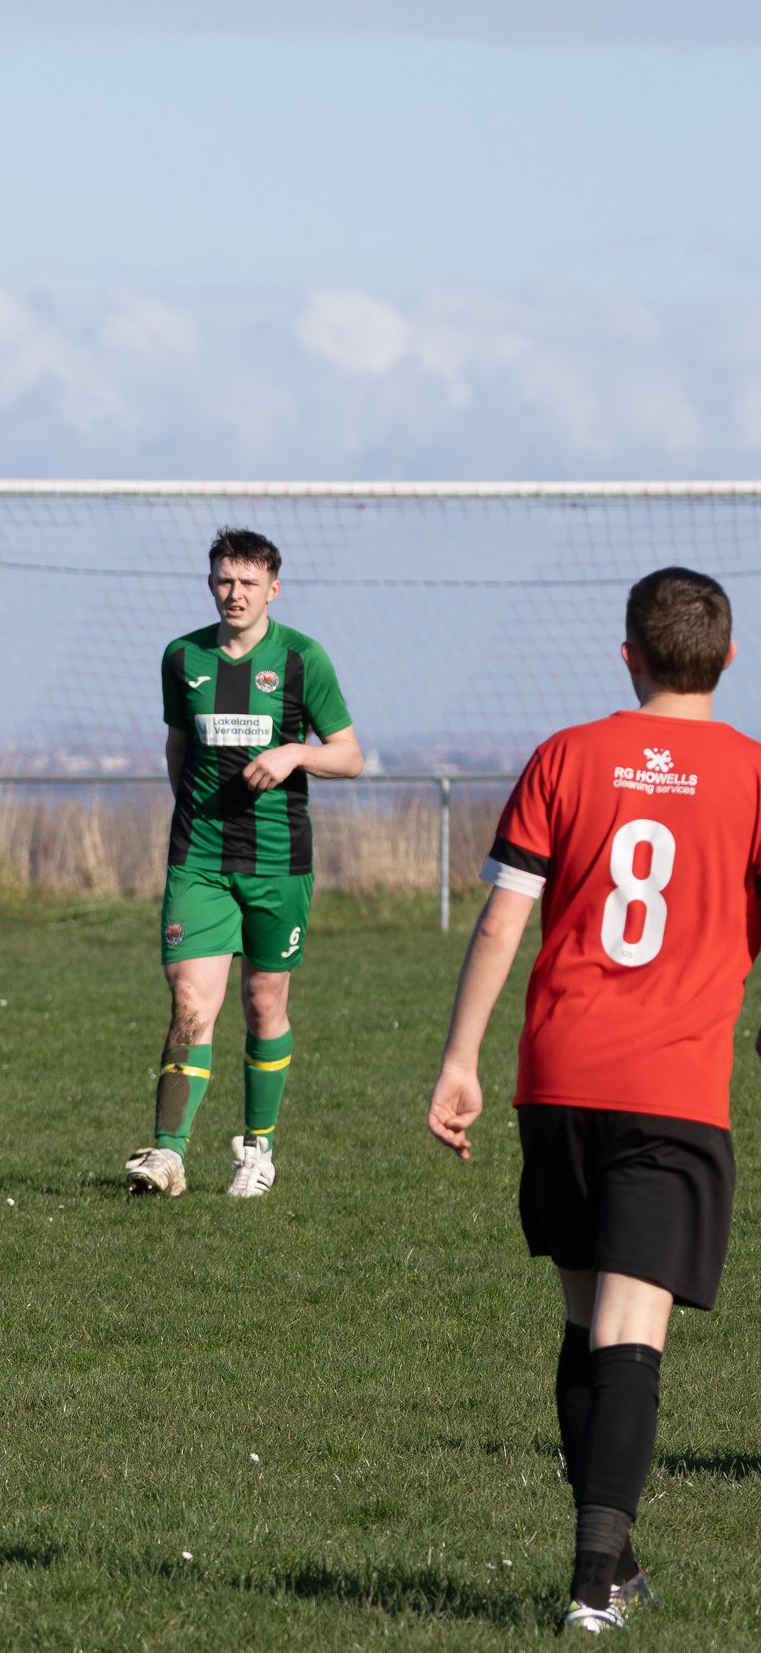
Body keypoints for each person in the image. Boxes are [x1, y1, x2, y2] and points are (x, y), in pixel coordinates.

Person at [427, 568, 757, 1634]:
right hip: (671, 1092)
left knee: (583, 1326)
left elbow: (498, 921)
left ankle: (612, 1564)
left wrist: (458, 1059)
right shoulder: (752, 774)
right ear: (728, 659)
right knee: (629, 1337)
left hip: (557, 1082)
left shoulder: (566, 754)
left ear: (627, 655)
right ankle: (587, 1590)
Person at [124, 529, 362, 1200]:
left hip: (280, 862)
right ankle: (167, 1155)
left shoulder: (302, 659)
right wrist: (196, 815)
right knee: (190, 1003)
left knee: (264, 1003)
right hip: (198, 860)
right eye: (225, 581)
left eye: (249, 583)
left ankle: (258, 1149)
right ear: (211, 584)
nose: (235, 594)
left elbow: (349, 754)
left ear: (273, 588)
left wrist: (294, 754)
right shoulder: (183, 657)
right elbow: (178, 749)